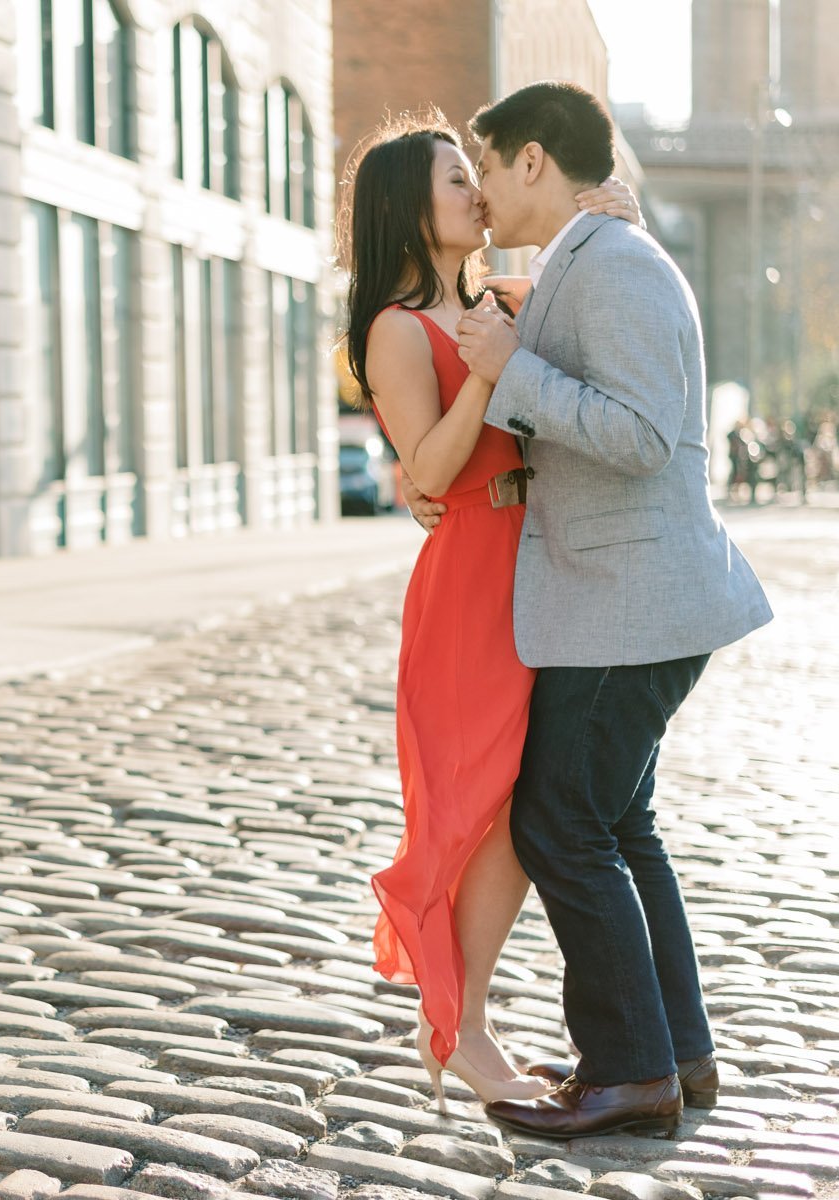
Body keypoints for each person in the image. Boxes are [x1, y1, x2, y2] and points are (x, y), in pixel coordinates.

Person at [410, 81, 773, 1138]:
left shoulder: (614, 265)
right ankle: (676, 1053)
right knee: (617, 822)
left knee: (558, 817)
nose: (479, 190)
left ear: (534, 162)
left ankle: (631, 1071)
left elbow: (648, 434)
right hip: (623, 602)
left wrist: (514, 373)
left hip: (630, 606)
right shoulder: (588, 257)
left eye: (487, 166)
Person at [338, 110, 642, 1114]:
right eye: (454, 177)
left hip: (527, 571)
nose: (476, 190)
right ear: (406, 207)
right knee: (485, 812)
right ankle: (460, 1028)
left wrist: (613, 211)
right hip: (469, 584)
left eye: (475, 174)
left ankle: (463, 1021)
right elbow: (424, 468)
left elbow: (581, 295)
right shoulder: (396, 327)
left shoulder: (489, 299)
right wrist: (488, 370)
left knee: (511, 810)